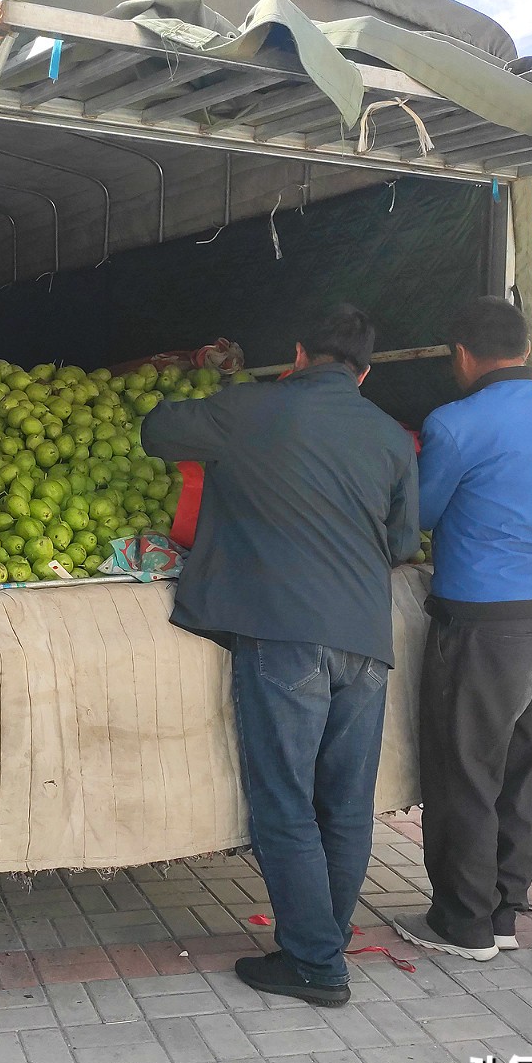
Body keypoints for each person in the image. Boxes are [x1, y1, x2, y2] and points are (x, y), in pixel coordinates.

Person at [142, 305, 418, 1007]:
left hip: (284, 634)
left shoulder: (252, 407)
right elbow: (401, 542)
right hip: (365, 640)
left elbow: (157, 430)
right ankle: (324, 939)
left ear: (297, 355)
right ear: (363, 372)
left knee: (285, 800)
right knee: (346, 804)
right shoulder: (390, 437)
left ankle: (316, 962)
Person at [393, 297, 532, 962]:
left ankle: (464, 922)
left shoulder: (455, 423)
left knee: (465, 773)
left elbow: (420, 515)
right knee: (519, 769)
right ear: (526, 346)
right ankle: (504, 911)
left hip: (481, 624)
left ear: (461, 354)